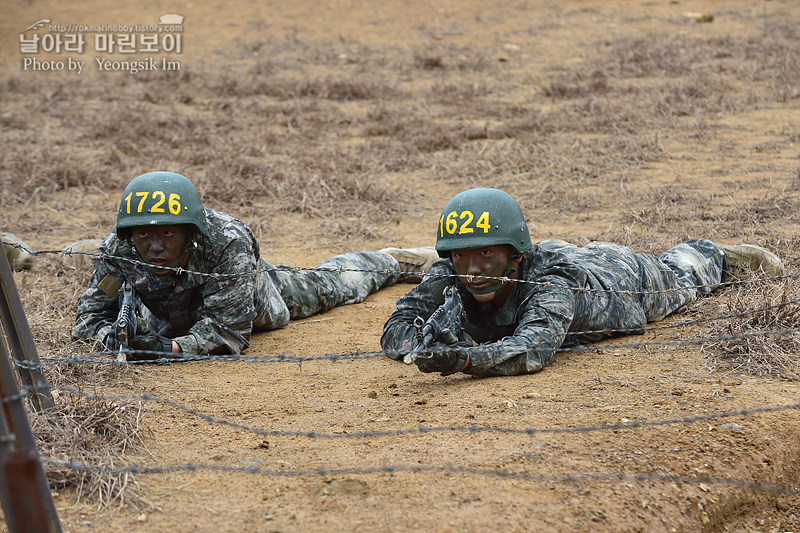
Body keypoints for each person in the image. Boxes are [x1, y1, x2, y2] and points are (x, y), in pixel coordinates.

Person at [381, 188, 785, 377]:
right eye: (461, 254)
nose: (473, 268)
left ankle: (716, 253)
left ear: (515, 253)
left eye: (487, 253)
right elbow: (399, 322)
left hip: (619, 278)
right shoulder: (451, 274)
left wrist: (465, 359)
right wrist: (419, 346)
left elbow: (532, 349)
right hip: (566, 255)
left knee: (682, 277)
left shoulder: (554, 281)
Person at [72, 171, 439, 359]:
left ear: (190, 232)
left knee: (330, 284)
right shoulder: (119, 248)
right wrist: (118, 339)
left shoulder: (226, 241)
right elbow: (89, 320)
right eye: (143, 236)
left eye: (167, 234)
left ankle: (394, 260)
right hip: (174, 317)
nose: (153, 246)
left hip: (260, 300)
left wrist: (168, 351)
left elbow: (228, 332)